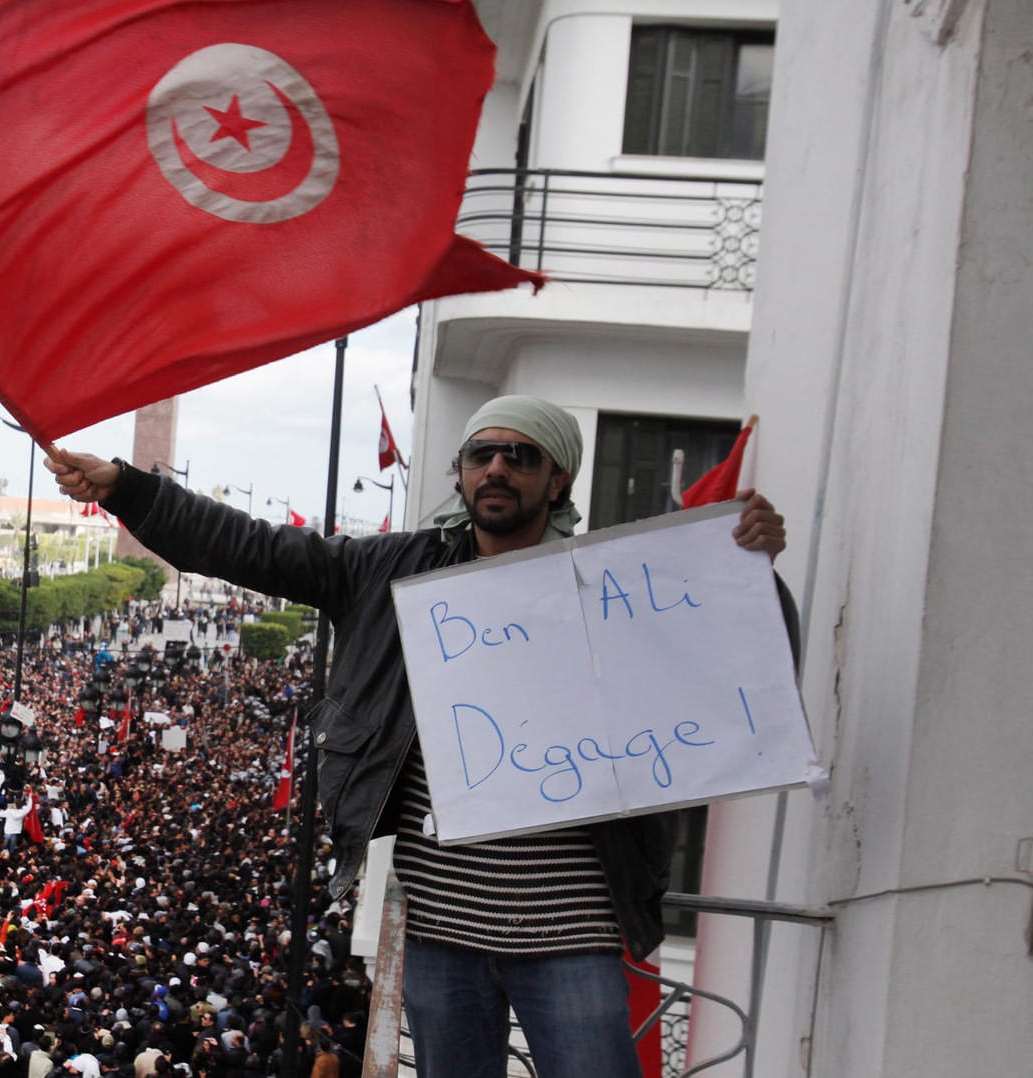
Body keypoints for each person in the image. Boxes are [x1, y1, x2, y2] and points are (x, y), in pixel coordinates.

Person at [46, 395, 789, 1078]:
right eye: (481, 455)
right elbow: (253, 547)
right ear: (461, 475)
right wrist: (129, 489)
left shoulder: (614, 584)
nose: (497, 468)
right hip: (441, 932)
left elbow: (739, 659)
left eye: (521, 456)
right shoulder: (390, 573)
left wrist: (753, 567)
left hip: (572, 932)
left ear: (558, 481)